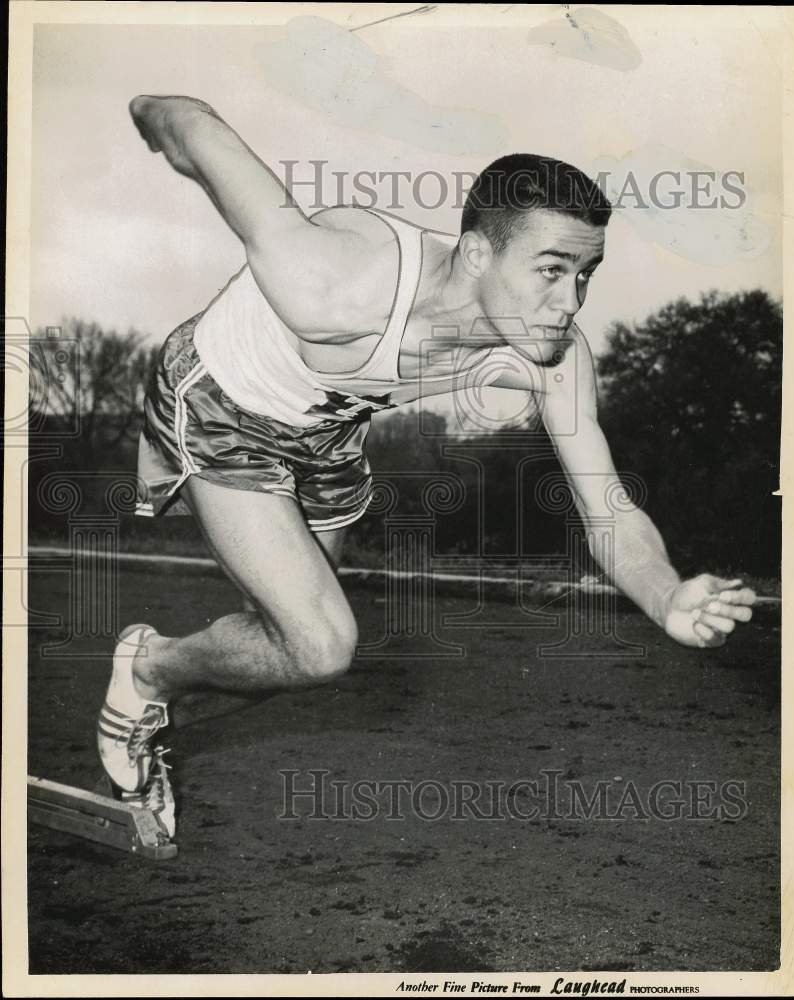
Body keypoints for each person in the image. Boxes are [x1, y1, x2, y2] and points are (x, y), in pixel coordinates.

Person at [98, 95, 756, 835]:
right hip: (221, 399)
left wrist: (666, 596)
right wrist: (148, 107)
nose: (568, 300)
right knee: (320, 645)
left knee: (287, 645)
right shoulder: (334, 281)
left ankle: (155, 669)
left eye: (585, 274)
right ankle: (147, 673)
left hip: (328, 433)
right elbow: (200, 136)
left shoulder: (554, 360)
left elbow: (607, 510)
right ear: (478, 252)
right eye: (549, 269)